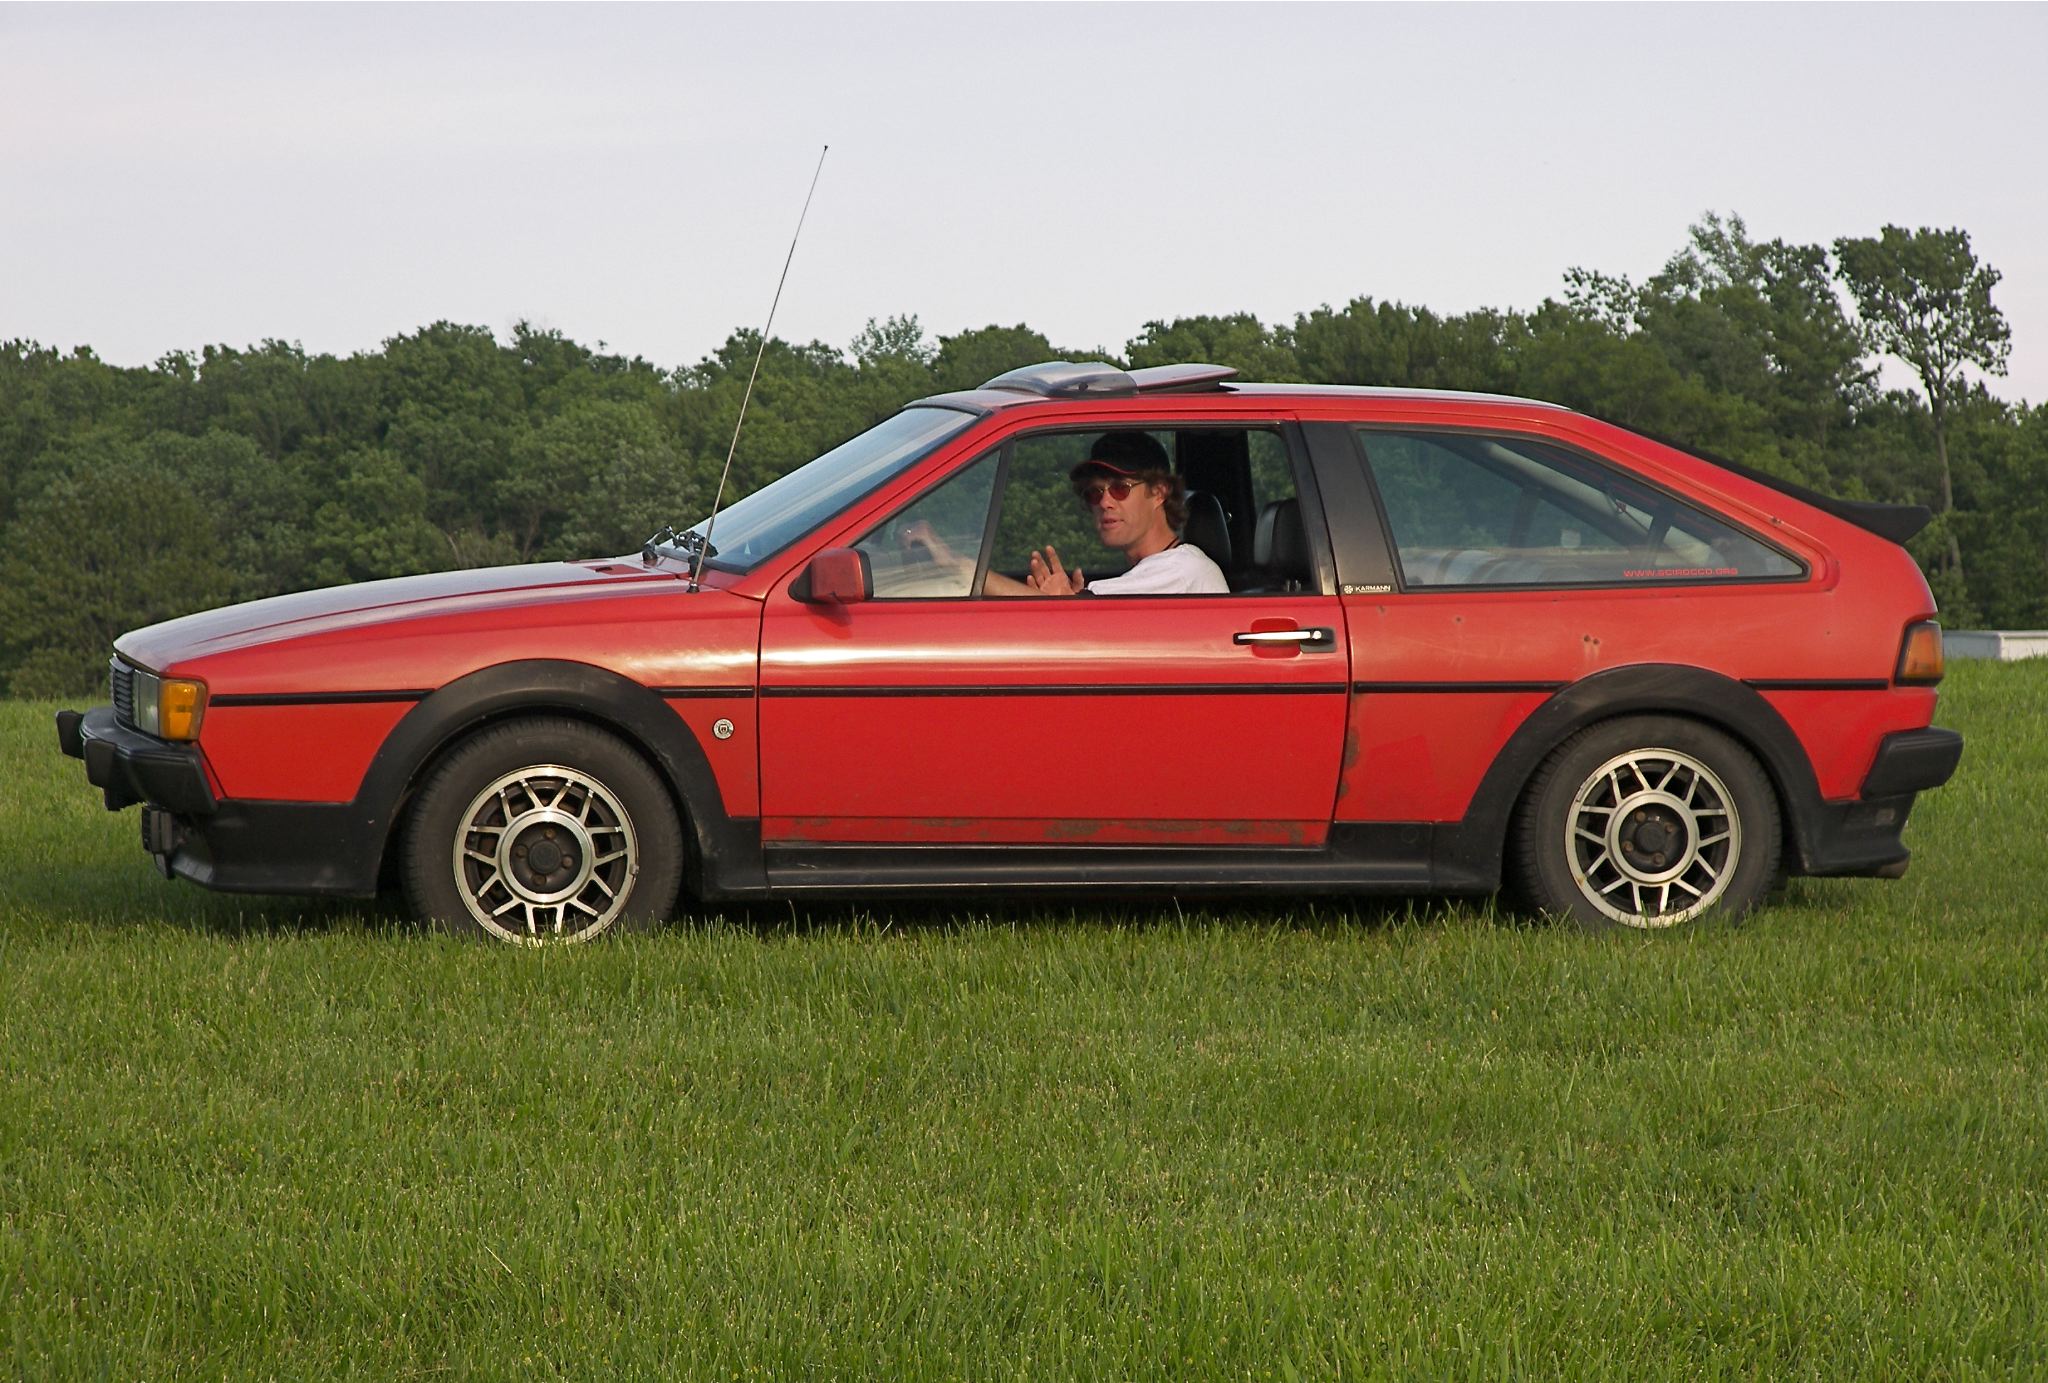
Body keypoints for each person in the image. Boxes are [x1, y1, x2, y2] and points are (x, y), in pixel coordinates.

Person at [903, 432, 1230, 597]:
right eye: (1095, 492)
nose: (1105, 502)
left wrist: (956, 565)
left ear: (1158, 492)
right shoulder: (1152, 573)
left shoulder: (1182, 570)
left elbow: (1069, 612)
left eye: (1120, 488)